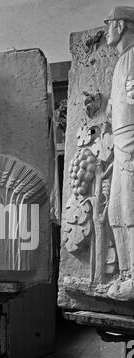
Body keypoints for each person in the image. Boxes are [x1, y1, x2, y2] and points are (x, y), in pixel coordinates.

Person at [104, 6, 134, 300]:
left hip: (131, 144)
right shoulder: (121, 61)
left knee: (131, 209)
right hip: (121, 144)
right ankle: (125, 273)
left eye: (109, 24)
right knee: (116, 211)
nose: (107, 29)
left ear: (122, 25)